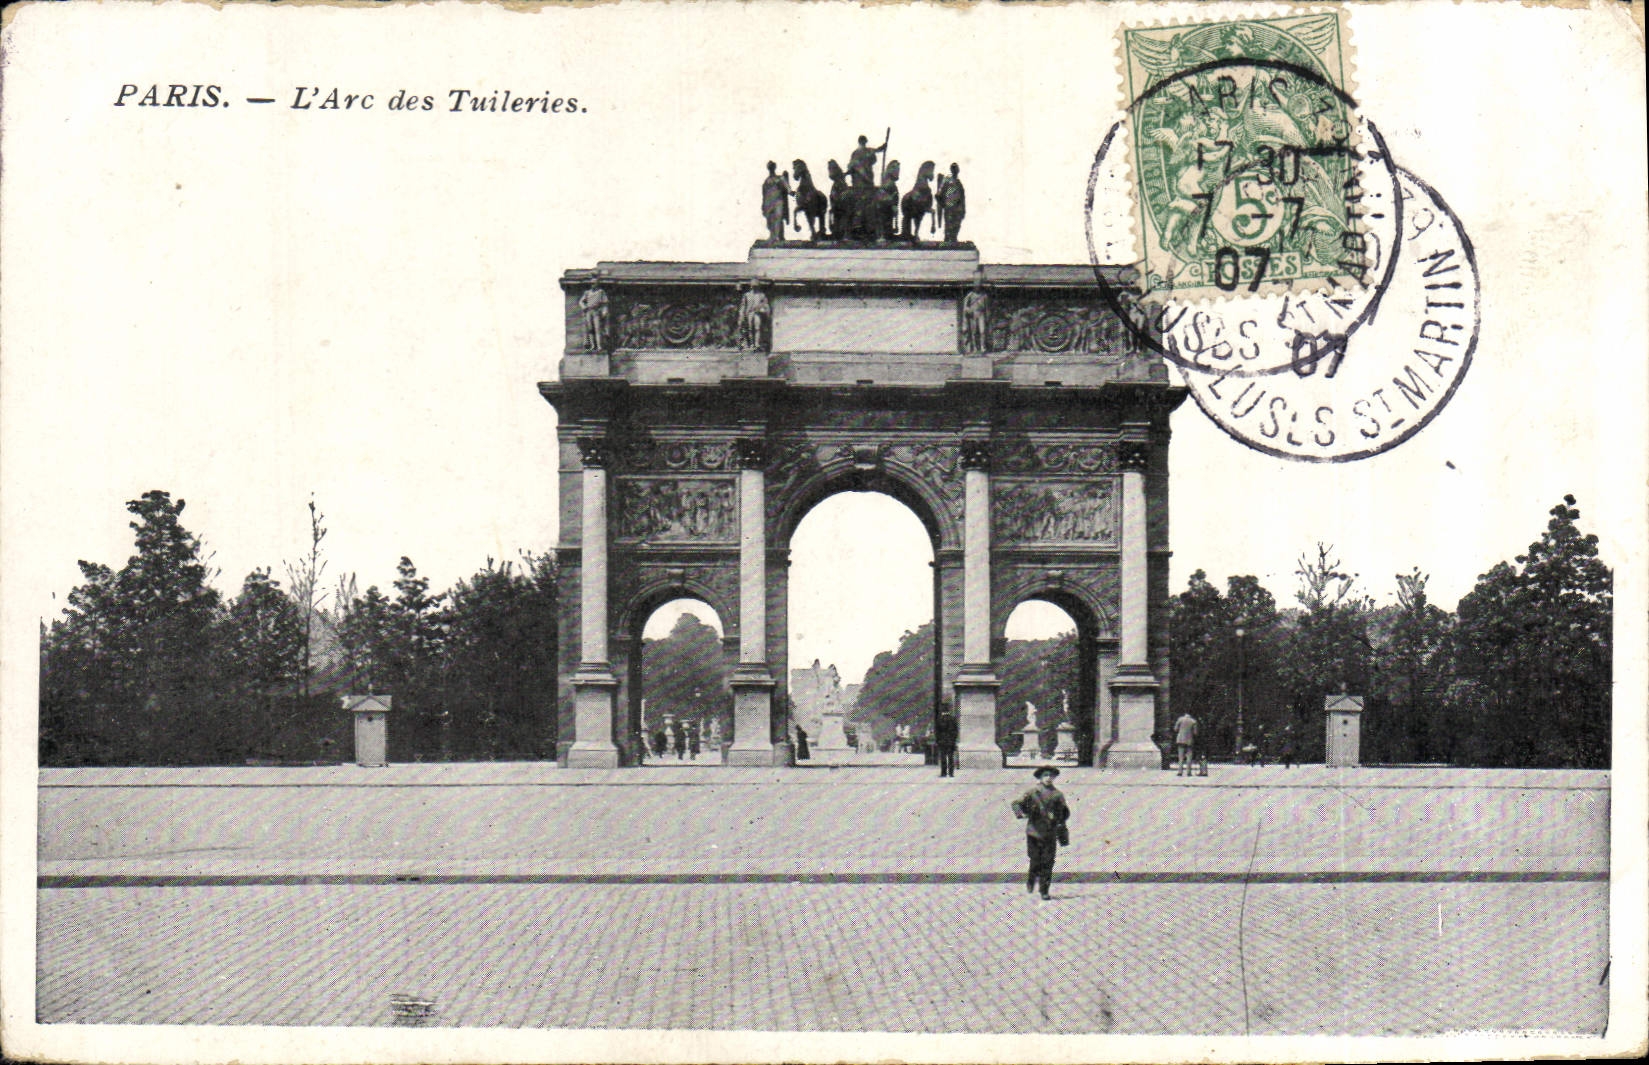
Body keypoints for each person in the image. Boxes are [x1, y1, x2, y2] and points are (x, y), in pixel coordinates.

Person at [1011, 766, 1070, 900]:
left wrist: (1059, 820)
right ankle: (1031, 879)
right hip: (1034, 832)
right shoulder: (1033, 792)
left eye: (1051, 776)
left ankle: (1044, 890)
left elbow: (1064, 812)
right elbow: (1016, 803)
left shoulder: (1058, 795)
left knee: (1048, 862)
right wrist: (1021, 814)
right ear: (1040, 778)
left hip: (1050, 833)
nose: (1048, 778)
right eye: (1045, 775)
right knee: (1035, 860)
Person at [761, 161, 791, 242]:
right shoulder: (767, 180)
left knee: (778, 218)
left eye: (771, 167)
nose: (770, 169)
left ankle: (778, 237)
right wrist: (763, 205)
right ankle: (772, 236)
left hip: (778, 201)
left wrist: (793, 194)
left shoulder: (780, 178)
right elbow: (764, 193)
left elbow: (788, 189)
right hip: (769, 203)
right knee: (770, 220)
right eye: (769, 167)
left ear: (774, 168)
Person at [1173, 710, 1199, 776]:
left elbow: (1175, 729)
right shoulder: (1193, 721)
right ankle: (1188, 772)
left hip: (1180, 739)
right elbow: (1195, 733)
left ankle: (1180, 771)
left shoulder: (1180, 719)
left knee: (1180, 756)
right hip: (1189, 740)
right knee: (1189, 756)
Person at [935, 711, 958, 777]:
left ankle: (943, 772)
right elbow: (955, 731)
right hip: (950, 741)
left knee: (943, 757)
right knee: (951, 757)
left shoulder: (940, 720)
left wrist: (938, 740)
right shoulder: (953, 719)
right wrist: (953, 739)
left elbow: (937, 732)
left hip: (942, 741)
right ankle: (951, 773)